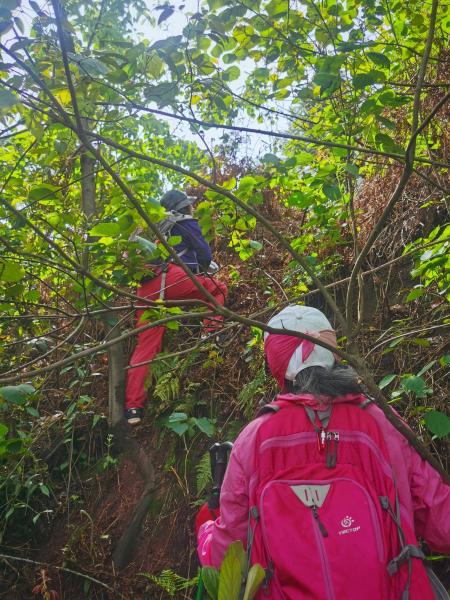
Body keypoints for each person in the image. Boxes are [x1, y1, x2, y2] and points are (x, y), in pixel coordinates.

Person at [196, 305, 450, 599]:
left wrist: (205, 533)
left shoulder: (254, 439)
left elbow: (228, 556)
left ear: (277, 365)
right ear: (333, 353)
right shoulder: (382, 423)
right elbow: (442, 524)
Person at [124, 190, 227, 425]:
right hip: (172, 279)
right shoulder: (185, 222)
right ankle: (211, 333)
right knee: (217, 289)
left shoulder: (157, 229)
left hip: (147, 287)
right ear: (183, 207)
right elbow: (204, 255)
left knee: (146, 345)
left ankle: (133, 408)